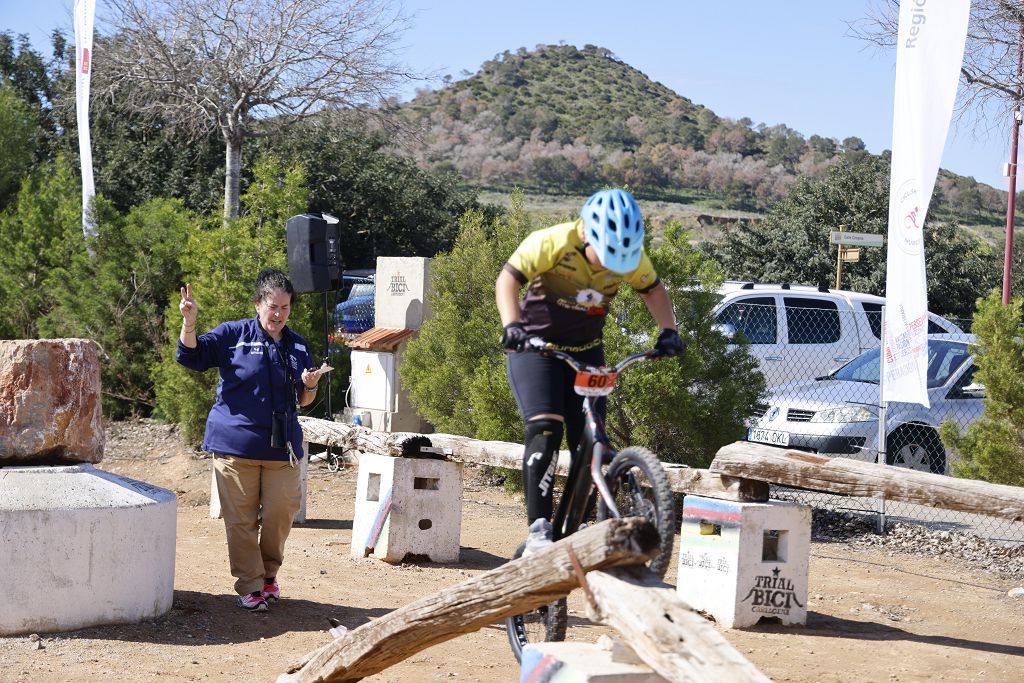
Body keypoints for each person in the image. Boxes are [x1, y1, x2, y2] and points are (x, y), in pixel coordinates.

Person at [495, 188, 685, 553]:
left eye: (619, 260)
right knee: (546, 427)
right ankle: (539, 530)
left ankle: (580, 526)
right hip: (537, 350)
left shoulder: (631, 257)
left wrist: (668, 332)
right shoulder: (551, 242)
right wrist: (512, 325)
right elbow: (508, 280)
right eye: (605, 255)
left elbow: (653, 291)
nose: (610, 266)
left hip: (587, 354)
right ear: (586, 234)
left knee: (593, 441)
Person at [177, 268, 331, 612]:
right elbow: (192, 356)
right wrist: (190, 323)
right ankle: (250, 585)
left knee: (281, 512)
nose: (278, 314)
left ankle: (268, 575)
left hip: (282, 447)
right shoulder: (234, 334)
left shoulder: (298, 345)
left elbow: (304, 400)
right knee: (241, 521)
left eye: (285, 307)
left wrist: (309, 384)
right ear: (258, 304)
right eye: (272, 306)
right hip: (236, 446)